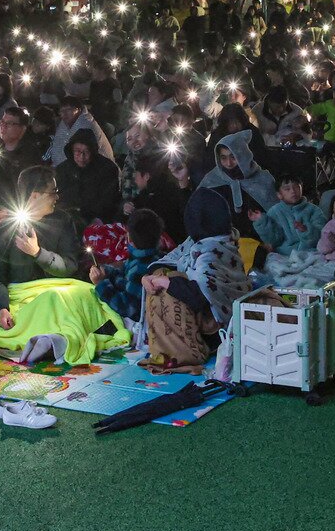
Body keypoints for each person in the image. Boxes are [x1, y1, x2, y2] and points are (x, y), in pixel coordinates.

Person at [0, 165, 128, 365]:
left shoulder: (63, 220)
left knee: (56, 300)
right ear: (35, 195)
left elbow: (69, 266)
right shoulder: (8, 228)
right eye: (53, 193)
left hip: (56, 292)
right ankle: (35, 336)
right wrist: (2, 308)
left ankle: (55, 341)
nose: (57, 198)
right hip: (18, 297)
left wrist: (37, 253)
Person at [136, 188, 251, 371]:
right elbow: (167, 261)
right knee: (163, 275)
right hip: (206, 320)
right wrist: (150, 277)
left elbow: (201, 295)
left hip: (218, 330)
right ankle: (171, 347)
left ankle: (187, 352)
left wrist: (167, 282)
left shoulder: (213, 250)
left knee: (168, 285)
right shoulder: (198, 242)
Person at [91, 207, 165, 323]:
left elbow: (128, 307)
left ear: (129, 238)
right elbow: (124, 278)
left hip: (136, 323)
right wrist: (108, 272)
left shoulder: (140, 268)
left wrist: (101, 284)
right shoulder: (155, 256)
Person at [195, 129, 277, 234]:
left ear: (243, 156)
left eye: (233, 157)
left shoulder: (262, 179)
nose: (229, 163)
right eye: (223, 158)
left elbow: (278, 216)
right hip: (223, 240)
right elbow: (198, 212)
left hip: (261, 238)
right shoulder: (212, 180)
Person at [0, 106, 44, 211]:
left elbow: (32, 187)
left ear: (22, 129)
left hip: (14, 210)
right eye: (2, 122)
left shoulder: (30, 154)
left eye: (9, 124)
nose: (3, 126)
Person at [55, 128, 122, 226]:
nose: (82, 156)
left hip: (97, 221)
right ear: (72, 150)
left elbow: (109, 200)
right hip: (67, 219)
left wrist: (99, 218)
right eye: (77, 151)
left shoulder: (107, 169)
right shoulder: (62, 169)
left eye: (86, 152)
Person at [249, 173, 326, 256]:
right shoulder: (275, 212)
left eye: (296, 187)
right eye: (287, 189)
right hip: (285, 254)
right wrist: (262, 221)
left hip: (312, 251)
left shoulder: (313, 210)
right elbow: (273, 240)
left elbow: (323, 234)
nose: (293, 191)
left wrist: (306, 230)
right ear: (279, 195)